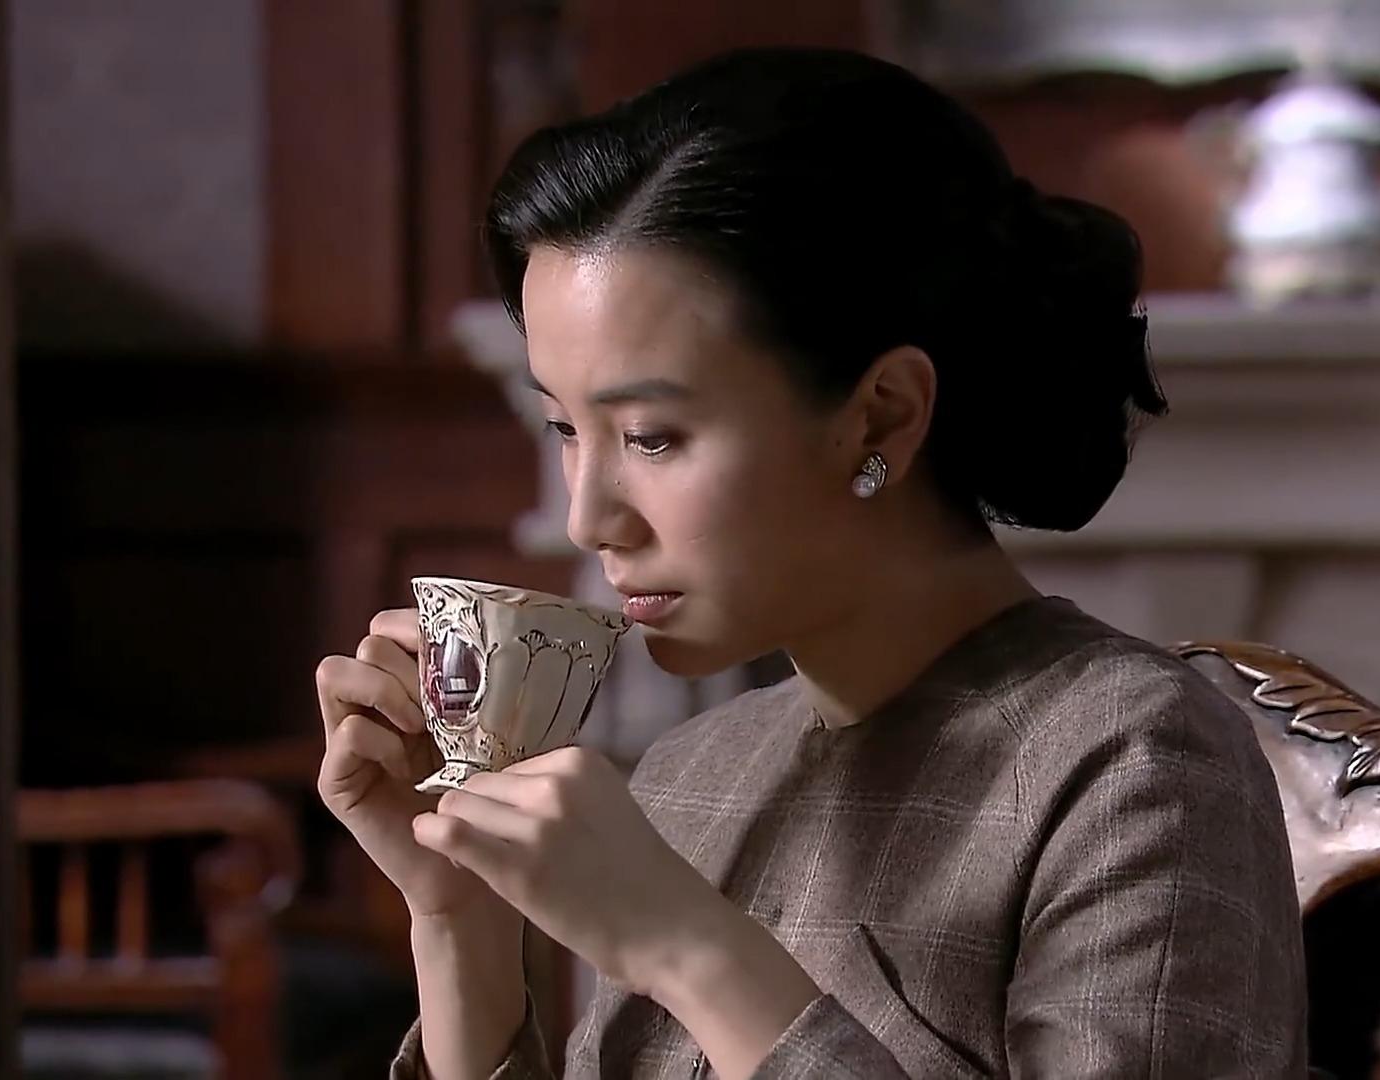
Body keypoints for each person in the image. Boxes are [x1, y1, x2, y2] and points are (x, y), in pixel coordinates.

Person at [314, 47, 1306, 1079]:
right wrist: (461, 919)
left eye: (650, 436)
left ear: (881, 417)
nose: (587, 519)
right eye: (566, 428)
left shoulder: (1134, 761)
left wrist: (688, 950)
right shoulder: (692, 774)